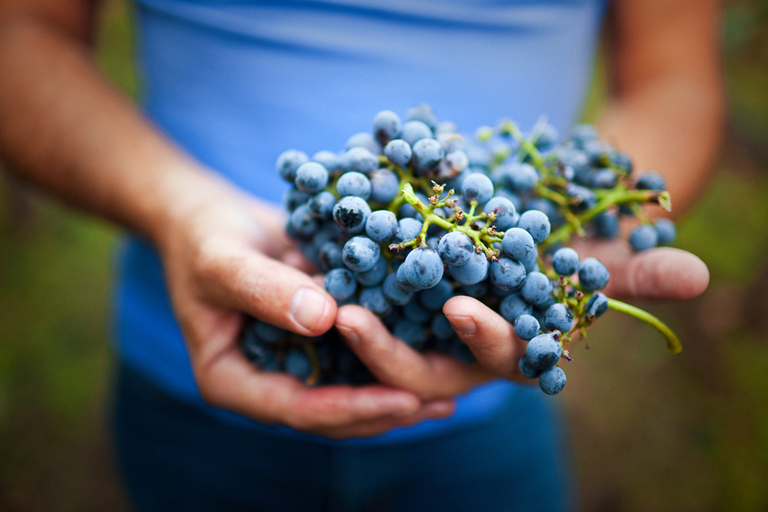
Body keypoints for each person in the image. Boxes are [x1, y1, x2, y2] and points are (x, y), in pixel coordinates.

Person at [0, 0, 723, 510]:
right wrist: (177, 210)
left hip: (483, 408)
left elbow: (674, 78)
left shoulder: (496, 246)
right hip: (199, 360)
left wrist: (589, 208)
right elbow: (21, 32)